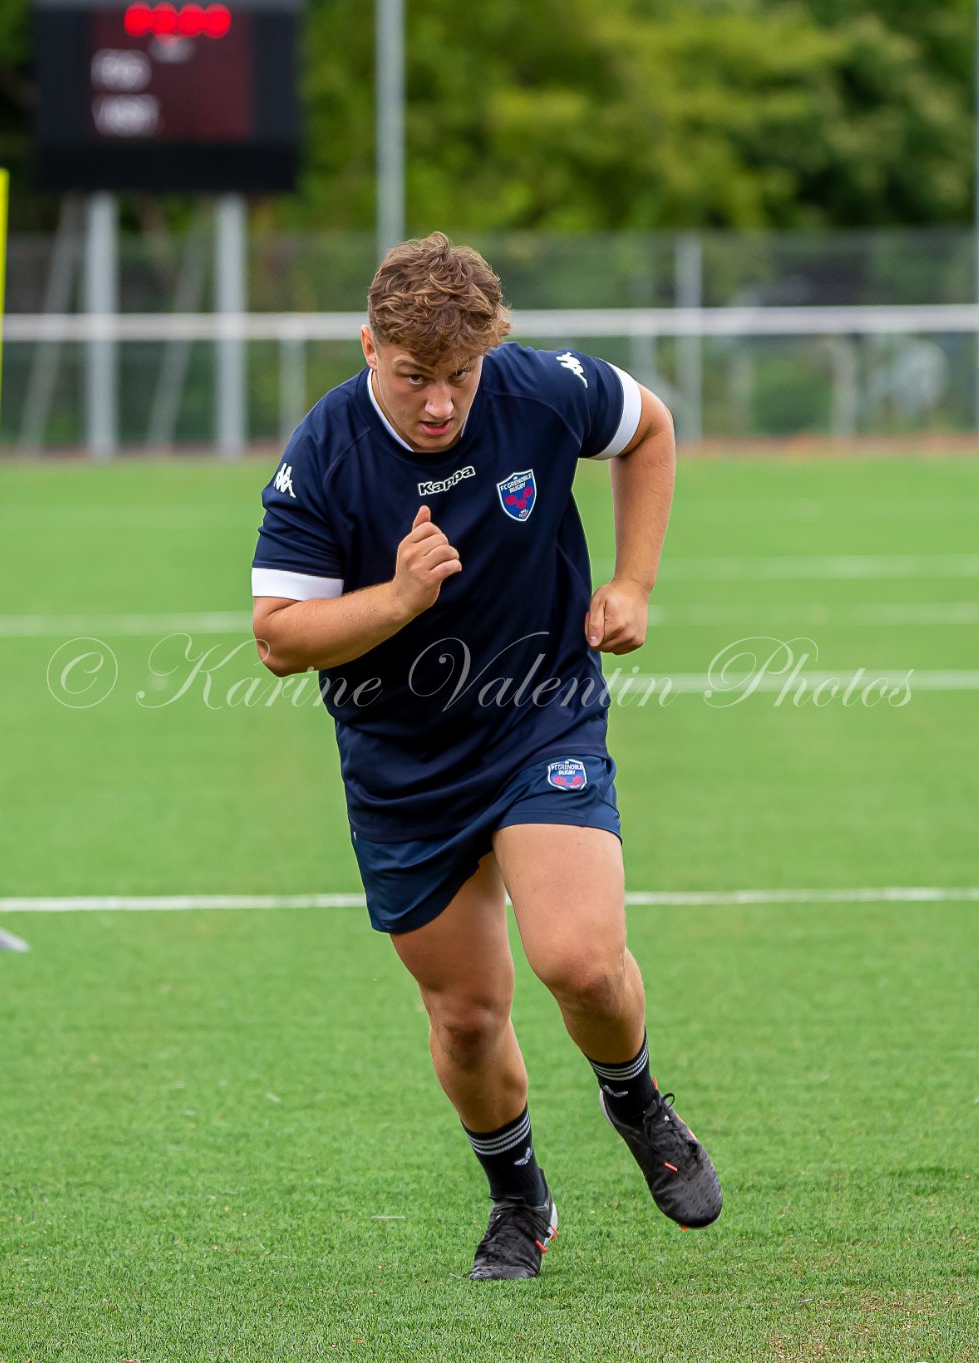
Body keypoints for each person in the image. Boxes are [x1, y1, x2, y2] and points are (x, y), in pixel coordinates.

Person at [249, 234, 720, 1280]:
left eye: (457, 376)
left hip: (535, 713)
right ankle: (518, 1195)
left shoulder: (541, 390)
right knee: (465, 1017)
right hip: (400, 760)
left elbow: (649, 431)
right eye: (412, 375)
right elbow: (279, 637)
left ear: (487, 352)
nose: (436, 404)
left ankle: (636, 1101)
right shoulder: (323, 453)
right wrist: (400, 599)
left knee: (579, 960)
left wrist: (634, 582)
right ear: (368, 345)